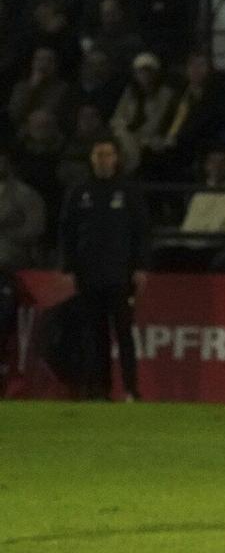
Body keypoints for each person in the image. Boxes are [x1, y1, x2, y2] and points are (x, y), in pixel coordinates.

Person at [57, 139, 149, 401]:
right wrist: (69, 266)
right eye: (98, 154)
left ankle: (131, 388)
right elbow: (67, 230)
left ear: (116, 158)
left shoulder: (128, 191)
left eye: (108, 154)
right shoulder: (79, 191)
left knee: (124, 332)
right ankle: (101, 389)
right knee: (95, 334)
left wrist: (140, 266)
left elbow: (141, 231)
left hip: (120, 274)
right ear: (91, 158)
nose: (103, 159)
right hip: (89, 273)